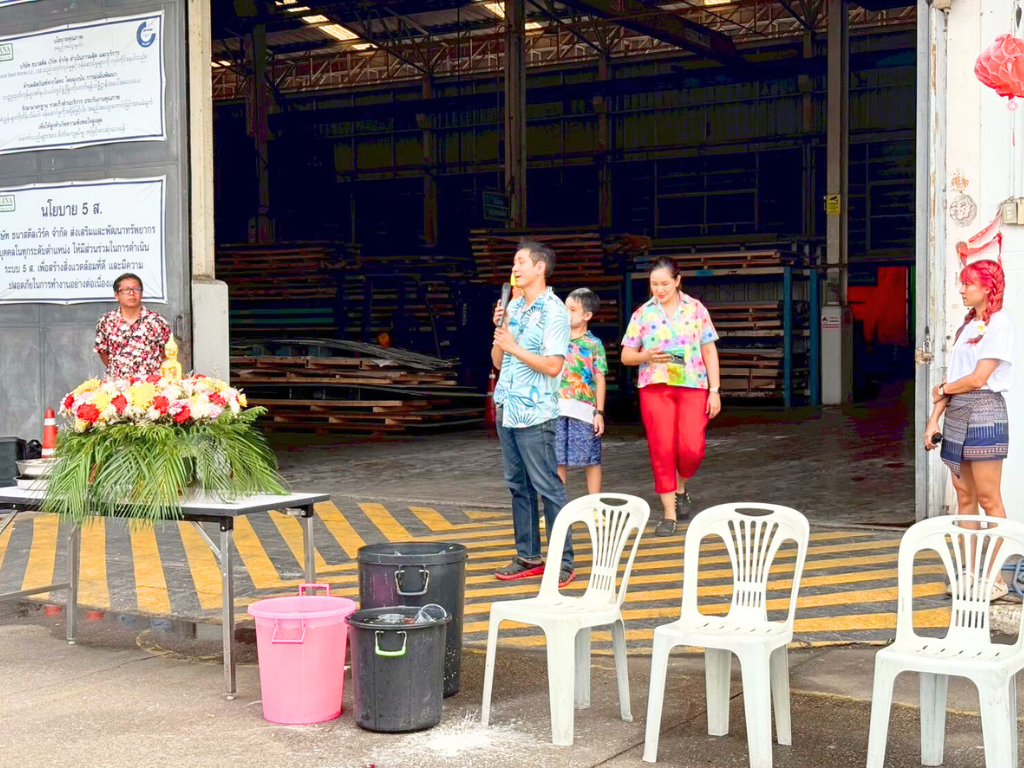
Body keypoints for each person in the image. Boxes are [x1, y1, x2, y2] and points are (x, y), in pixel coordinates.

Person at [925, 258, 1013, 600]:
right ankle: (970, 572)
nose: (961, 289)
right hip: (957, 412)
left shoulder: (999, 324)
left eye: (968, 284)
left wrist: (944, 390)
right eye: (961, 283)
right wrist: (934, 419)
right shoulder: (967, 326)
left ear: (987, 289)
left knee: (989, 499)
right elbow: (953, 380)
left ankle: (995, 577)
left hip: (985, 412)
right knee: (964, 497)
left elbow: (977, 379)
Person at [491, 241, 575, 587]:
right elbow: (498, 361)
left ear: (540, 267)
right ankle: (528, 556)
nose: (516, 267)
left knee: (547, 486)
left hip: (535, 412)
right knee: (518, 486)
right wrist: (502, 331)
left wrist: (514, 346)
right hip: (507, 407)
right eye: (514, 261)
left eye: (521, 261)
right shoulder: (513, 307)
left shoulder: (554, 311)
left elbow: (554, 366)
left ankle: (563, 561)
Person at [621, 257, 722, 537]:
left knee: (692, 448)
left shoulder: (696, 309)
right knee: (662, 449)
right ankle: (669, 513)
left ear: (678, 280)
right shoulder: (642, 314)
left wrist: (714, 390)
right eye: (654, 284)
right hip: (656, 386)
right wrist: (646, 356)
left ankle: (680, 487)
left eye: (665, 283)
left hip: (692, 384)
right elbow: (626, 355)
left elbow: (709, 350)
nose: (660, 289)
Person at [556, 288, 608, 494]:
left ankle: (595, 505)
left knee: (591, 459)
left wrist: (599, 412)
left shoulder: (594, 344)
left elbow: (599, 378)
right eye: (565, 308)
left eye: (572, 309)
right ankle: (556, 507)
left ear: (587, 315)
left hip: (585, 411)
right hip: (555, 408)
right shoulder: (555, 339)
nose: (566, 313)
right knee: (557, 459)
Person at [94, 273, 171, 380]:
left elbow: (166, 350)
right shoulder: (106, 321)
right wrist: (120, 369)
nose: (132, 293)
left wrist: (150, 365)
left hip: (150, 383)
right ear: (116, 295)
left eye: (136, 289)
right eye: (126, 290)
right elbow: (103, 351)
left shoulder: (157, 321)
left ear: (141, 294)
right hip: (117, 383)